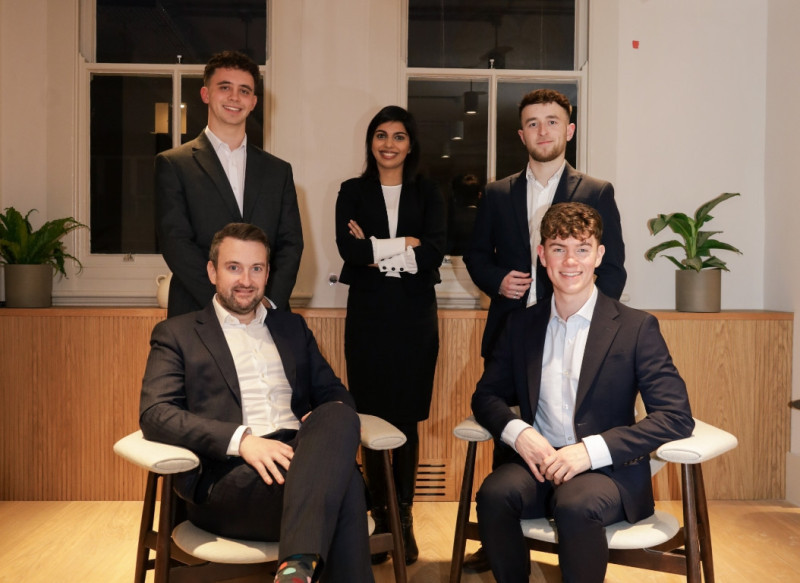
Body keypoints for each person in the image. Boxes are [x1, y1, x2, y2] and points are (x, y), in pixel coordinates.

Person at [471, 202, 695, 583]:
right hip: (539, 465)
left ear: (599, 256)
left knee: (575, 504)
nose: (570, 260)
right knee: (494, 494)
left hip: (606, 472)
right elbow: (485, 396)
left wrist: (590, 451)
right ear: (542, 256)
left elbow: (676, 416)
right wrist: (520, 434)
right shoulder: (521, 325)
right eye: (558, 248)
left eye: (582, 248)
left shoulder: (636, 328)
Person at [139, 223, 372, 583]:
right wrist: (242, 441)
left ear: (267, 273)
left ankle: (296, 569)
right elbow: (156, 414)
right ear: (212, 271)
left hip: (301, 459)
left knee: (338, 415)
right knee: (346, 487)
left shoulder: (291, 328)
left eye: (257, 268)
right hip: (233, 479)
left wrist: (319, 426)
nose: (246, 280)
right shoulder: (178, 333)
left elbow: (335, 393)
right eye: (234, 267)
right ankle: (297, 568)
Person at [335, 105, 446, 565]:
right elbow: (348, 249)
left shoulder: (430, 191)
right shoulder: (351, 191)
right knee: (371, 419)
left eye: (398, 137)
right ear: (371, 142)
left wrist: (377, 251)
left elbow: (436, 251)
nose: (389, 144)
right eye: (381, 135)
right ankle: (379, 517)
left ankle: (404, 518)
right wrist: (406, 244)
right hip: (368, 320)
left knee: (406, 420)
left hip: (415, 321)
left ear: (411, 144)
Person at [464, 88, 626, 360]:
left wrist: (592, 324)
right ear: (522, 135)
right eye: (532, 124)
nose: (542, 131)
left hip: (573, 333)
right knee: (502, 404)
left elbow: (612, 270)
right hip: (508, 332)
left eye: (552, 122)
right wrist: (498, 280)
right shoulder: (496, 194)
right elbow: (476, 255)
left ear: (569, 131)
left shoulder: (597, 192)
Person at [156, 50, 303, 317]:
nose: (235, 97)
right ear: (206, 94)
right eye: (225, 87)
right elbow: (175, 242)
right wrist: (223, 304)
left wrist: (268, 301)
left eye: (244, 91)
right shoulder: (173, 164)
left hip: (265, 313)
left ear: (254, 102)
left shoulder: (278, 171)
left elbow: (291, 244)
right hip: (198, 311)